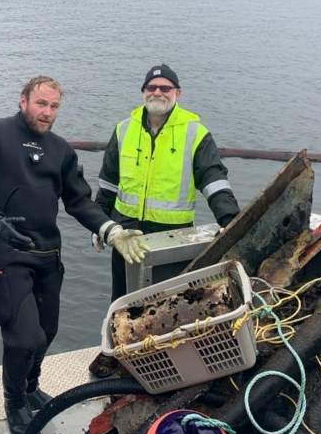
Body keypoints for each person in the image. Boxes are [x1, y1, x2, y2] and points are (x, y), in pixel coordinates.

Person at [0, 75, 149, 434]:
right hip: (9, 254)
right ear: (23, 100)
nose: (47, 113)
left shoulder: (60, 150)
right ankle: (14, 404)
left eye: (54, 106)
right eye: (40, 104)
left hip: (48, 255)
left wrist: (111, 230)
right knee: (23, 336)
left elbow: (77, 201)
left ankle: (30, 387)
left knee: (47, 333)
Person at [88, 63, 241, 378]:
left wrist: (231, 221)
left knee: (166, 305)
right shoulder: (123, 130)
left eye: (165, 88)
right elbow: (107, 185)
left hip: (170, 237)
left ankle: (163, 364)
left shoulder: (194, 133)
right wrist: (100, 225)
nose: (157, 93)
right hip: (125, 234)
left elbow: (214, 181)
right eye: (152, 88)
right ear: (144, 92)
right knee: (122, 300)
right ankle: (117, 357)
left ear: (177, 94)